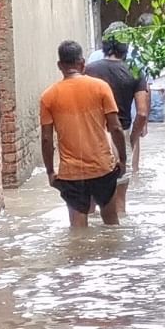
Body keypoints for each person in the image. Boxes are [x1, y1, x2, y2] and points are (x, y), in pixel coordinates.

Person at [41, 40, 127, 227]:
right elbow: (116, 128)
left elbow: (46, 139)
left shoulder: (48, 96)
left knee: (78, 228)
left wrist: (50, 171)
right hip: (103, 167)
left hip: (71, 173)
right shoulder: (101, 87)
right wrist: (122, 160)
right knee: (111, 222)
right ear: (82, 63)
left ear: (59, 65)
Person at [84, 24, 150, 215]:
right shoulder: (134, 72)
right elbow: (142, 113)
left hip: (92, 138)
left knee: (89, 205)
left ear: (104, 45)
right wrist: (132, 139)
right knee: (119, 204)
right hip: (120, 135)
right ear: (126, 46)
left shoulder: (88, 70)